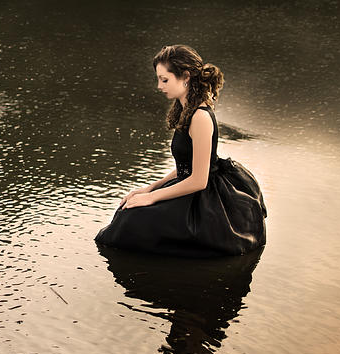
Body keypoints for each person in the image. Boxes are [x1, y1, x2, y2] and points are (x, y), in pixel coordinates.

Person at [95, 45, 266, 257]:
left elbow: (199, 180)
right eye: (158, 79)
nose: (159, 86)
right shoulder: (187, 110)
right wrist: (148, 189)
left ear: (185, 77)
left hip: (203, 198)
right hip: (189, 184)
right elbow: (184, 167)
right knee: (127, 210)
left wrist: (153, 198)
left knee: (131, 221)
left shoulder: (200, 117)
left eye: (164, 80)